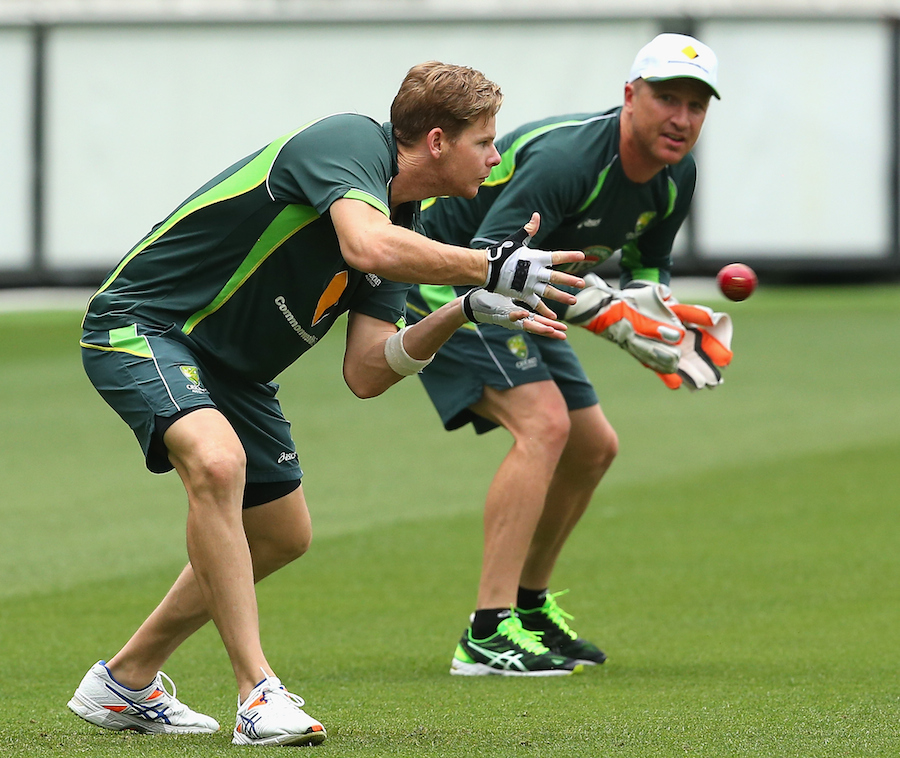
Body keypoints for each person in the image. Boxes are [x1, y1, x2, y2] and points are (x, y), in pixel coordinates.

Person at [69, 61, 586, 746]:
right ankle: (258, 695)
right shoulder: (347, 143)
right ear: (436, 141)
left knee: (284, 534)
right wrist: (487, 266)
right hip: (148, 326)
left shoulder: (407, 221)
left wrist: (462, 309)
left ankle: (125, 681)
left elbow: (369, 371)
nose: (496, 157)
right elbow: (363, 243)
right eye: (485, 142)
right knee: (218, 464)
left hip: (235, 375)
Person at [406, 34, 726, 676]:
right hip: (451, 287)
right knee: (544, 425)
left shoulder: (676, 174)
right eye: (667, 98)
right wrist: (611, 316)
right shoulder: (568, 161)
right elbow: (490, 264)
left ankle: (527, 608)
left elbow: (646, 268)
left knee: (593, 445)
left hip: (532, 300)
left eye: (696, 105)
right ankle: (486, 633)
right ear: (630, 96)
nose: (681, 119)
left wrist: (659, 328)